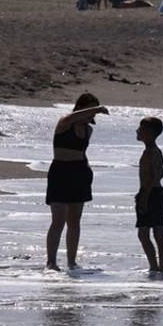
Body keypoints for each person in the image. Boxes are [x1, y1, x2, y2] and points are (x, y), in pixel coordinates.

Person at [46, 93, 110, 271]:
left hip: (80, 173)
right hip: (60, 172)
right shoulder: (65, 123)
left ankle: (71, 261)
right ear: (81, 107)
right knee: (58, 219)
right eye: (89, 110)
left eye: (94, 112)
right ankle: (51, 262)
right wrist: (97, 108)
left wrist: (88, 172)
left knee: (74, 220)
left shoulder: (88, 130)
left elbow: (82, 153)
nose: (92, 115)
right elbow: (70, 116)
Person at [134, 116, 163, 274]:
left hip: (152, 194)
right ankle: (157, 268)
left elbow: (156, 176)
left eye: (141, 129)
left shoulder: (152, 152)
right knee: (152, 233)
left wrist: (144, 197)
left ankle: (158, 268)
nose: (137, 131)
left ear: (149, 133)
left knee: (149, 233)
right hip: (153, 193)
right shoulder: (151, 151)